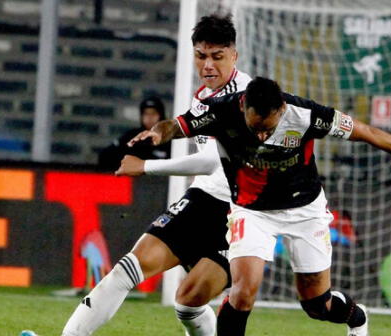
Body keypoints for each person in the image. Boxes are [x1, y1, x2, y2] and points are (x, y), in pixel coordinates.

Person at [128, 77, 391, 336]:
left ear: (282, 107)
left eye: (269, 126)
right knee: (242, 290)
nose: (263, 134)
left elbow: (367, 132)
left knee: (316, 305)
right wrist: (157, 135)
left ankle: (357, 316)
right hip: (251, 212)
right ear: (243, 106)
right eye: (256, 128)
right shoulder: (220, 111)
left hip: (304, 210)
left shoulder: (306, 114)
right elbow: (175, 125)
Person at [62, 14, 252, 336]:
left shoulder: (246, 98)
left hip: (241, 213)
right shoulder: (203, 97)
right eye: (200, 56)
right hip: (202, 199)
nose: (208, 66)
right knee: (127, 268)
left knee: (188, 302)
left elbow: (214, 160)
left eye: (217, 57)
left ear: (234, 55)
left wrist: (146, 166)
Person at [97, 96, 171, 171]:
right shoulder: (132, 136)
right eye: (146, 114)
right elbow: (106, 156)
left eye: (153, 114)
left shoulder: (168, 140)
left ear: (161, 116)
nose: (149, 117)